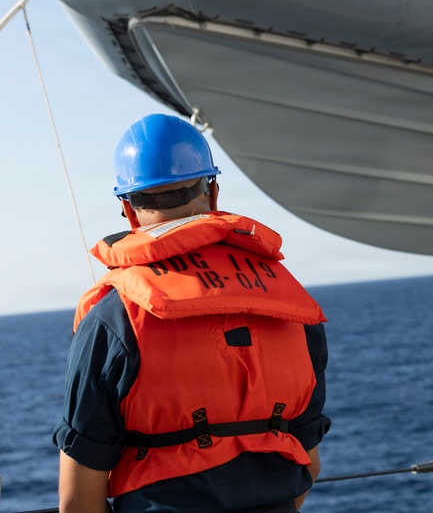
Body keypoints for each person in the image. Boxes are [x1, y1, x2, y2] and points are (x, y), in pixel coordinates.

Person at [53, 114, 330, 513]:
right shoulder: (293, 309)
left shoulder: (114, 319)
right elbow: (309, 464)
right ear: (213, 190)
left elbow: (78, 500)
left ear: (128, 209)